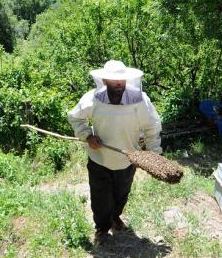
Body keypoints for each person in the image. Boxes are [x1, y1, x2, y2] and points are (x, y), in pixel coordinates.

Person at [67, 60, 162, 244]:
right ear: (104, 80)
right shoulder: (92, 98)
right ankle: (102, 227)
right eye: (114, 80)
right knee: (100, 196)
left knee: (121, 193)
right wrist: (88, 136)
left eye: (122, 80)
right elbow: (75, 118)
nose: (119, 83)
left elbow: (152, 125)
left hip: (127, 159)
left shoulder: (140, 100)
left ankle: (115, 217)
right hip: (99, 158)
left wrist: (153, 154)